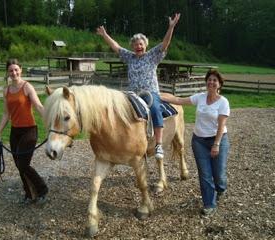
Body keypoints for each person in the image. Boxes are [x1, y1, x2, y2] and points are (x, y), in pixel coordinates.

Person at [96, 13, 181, 160]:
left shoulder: (152, 55)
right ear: (133, 47)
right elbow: (116, 47)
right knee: (117, 109)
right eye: (135, 44)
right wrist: (105, 35)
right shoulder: (130, 57)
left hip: (150, 93)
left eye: (141, 44)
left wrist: (171, 27)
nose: (138, 46)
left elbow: (165, 43)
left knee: (154, 109)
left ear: (145, 45)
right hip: (133, 94)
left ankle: (158, 144)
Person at [161, 69, 230, 217]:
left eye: (214, 80)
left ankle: (221, 188)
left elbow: (221, 125)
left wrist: (216, 144)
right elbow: (179, 100)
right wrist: (158, 95)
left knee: (219, 174)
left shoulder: (223, 102)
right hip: (199, 141)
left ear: (219, 85)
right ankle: (209, 204)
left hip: (218, 140)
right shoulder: (200, 97)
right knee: (205, 174)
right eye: (209, 80)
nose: (211, 82)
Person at [0, 58, 48, 205]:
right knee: (19, 165)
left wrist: (50, 123)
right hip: (15, 131)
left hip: (29, 130)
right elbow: (6, 114)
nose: (14, 72)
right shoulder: (6, 90)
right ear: (7, 72)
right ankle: (29, 194)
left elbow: (38, 106)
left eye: (16, 69)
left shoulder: (27, 87)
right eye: (11, 70)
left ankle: (42, 189)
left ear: (21, 70)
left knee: (23, 164)